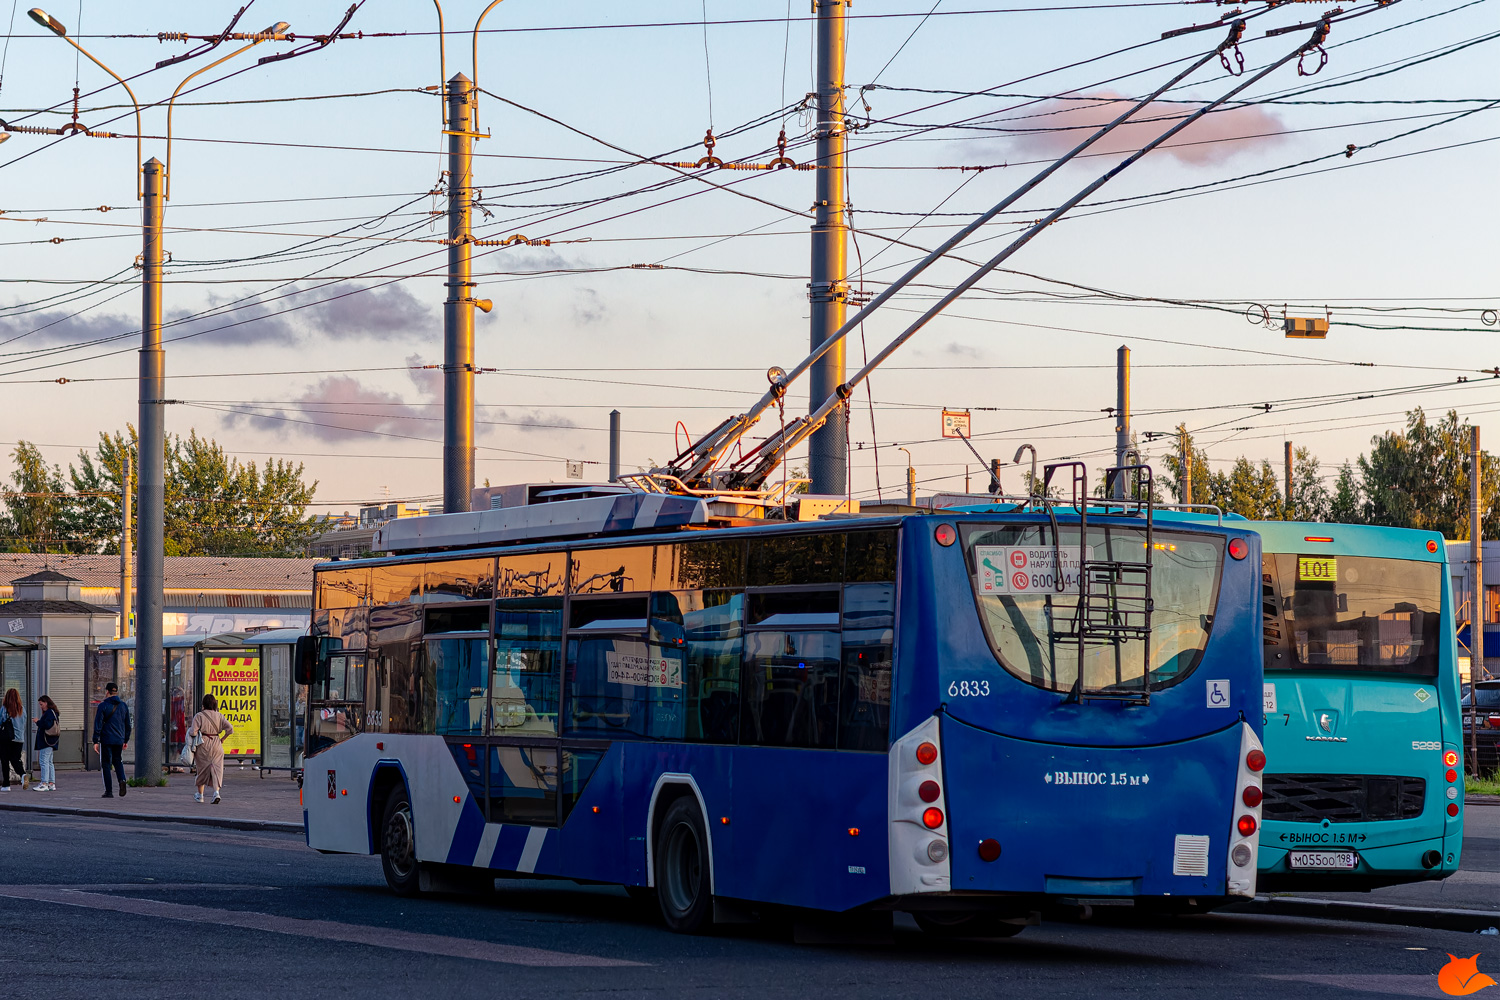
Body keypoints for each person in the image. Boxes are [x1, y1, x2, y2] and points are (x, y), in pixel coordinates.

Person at [189, 693, 234, 804]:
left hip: (203, 744)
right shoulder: (219, 716)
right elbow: (230, 729)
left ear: (203, 704)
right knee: (216, 770)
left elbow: (192, 732)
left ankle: (200, 795)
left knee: (202, 770)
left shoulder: (199, 716)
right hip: (217, 743)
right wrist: (223, 738)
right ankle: (216, 793)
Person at [91, 682, 132, 799]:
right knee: (118, 761)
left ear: (107, 692)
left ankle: (109, 791)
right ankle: (122, 779)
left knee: (106, 764)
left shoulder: (103, 706)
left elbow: (98, 724)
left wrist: (95, 740)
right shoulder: (123, 706)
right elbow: (127, 725)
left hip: (106, 739)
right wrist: (126, 739)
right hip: (119, 739)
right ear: (117, 692)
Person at [1, 688, 26, 791]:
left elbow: (1, 721)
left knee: (5, 760)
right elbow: (23, 723)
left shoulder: (4, 708)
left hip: (6, 739)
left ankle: (6, 784)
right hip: (19, 739)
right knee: (15, 759)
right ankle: (23, 774)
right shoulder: (22, 709)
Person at [33, 695, 58, 792]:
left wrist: (38, 722)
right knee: (49, 762)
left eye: (41, 704)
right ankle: (51, 783)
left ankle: (44, 783)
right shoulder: (53, 712)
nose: (40, 706)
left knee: (43, 761)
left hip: (46, 741)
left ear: (46, 703)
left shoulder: (49, 713)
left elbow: (47, 725)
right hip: (51, 741)